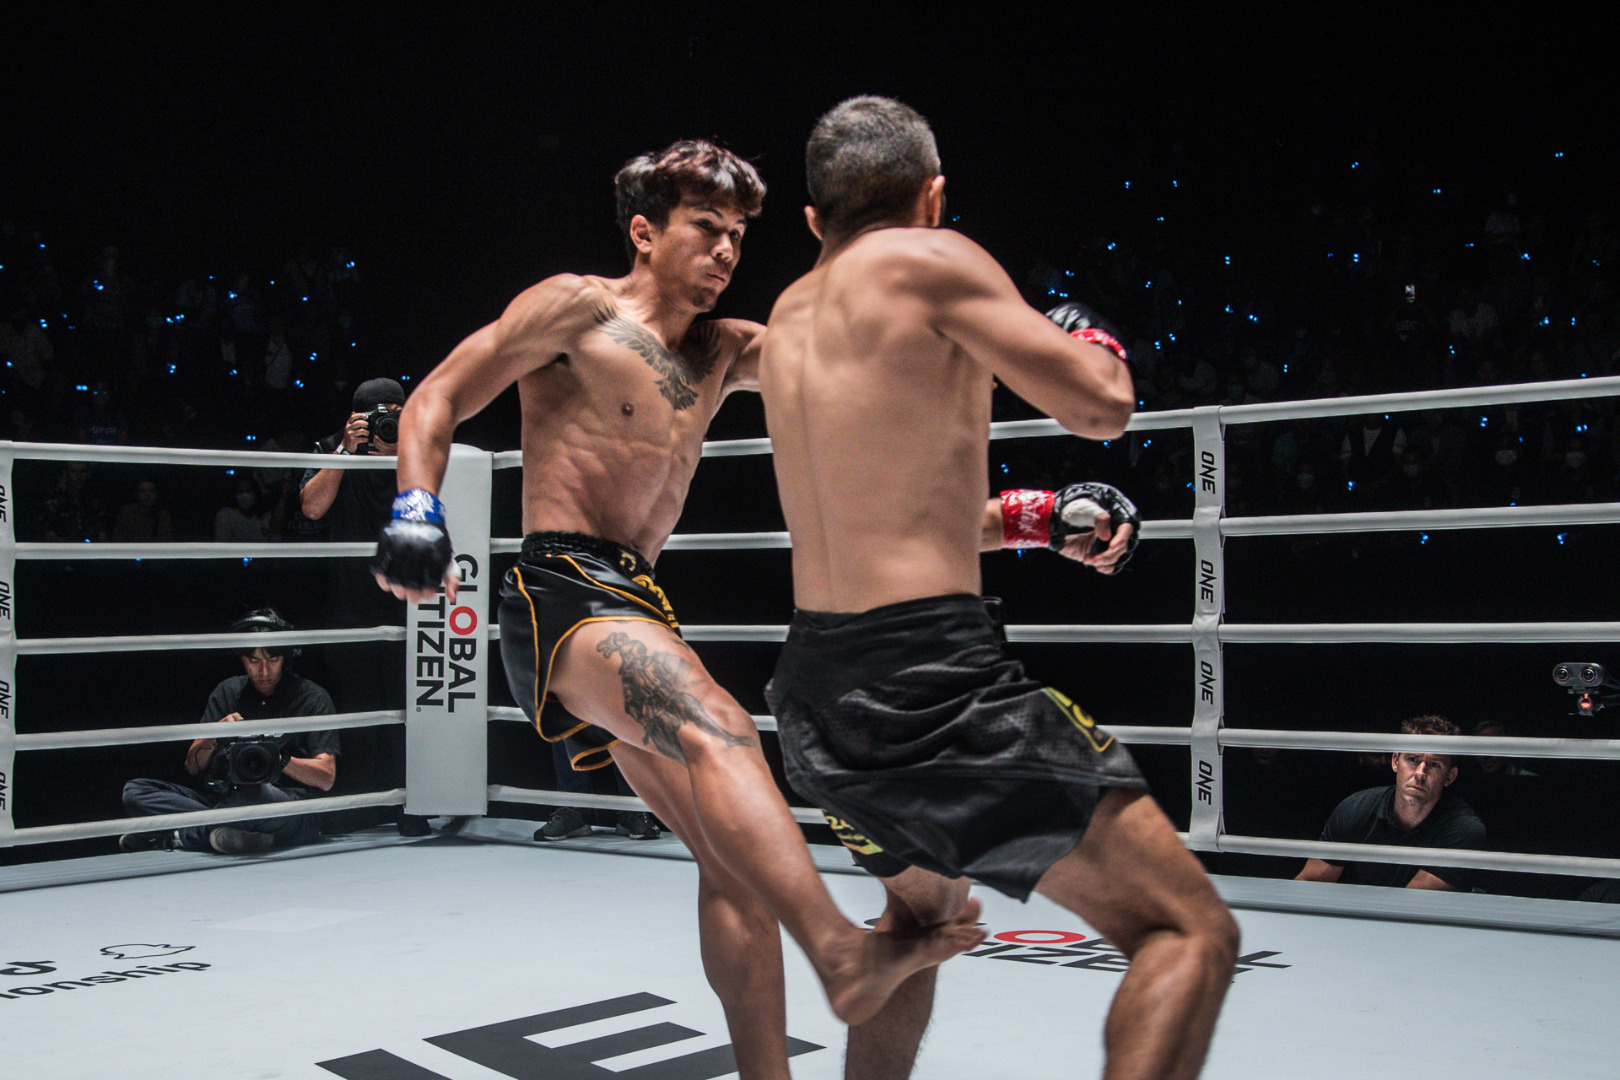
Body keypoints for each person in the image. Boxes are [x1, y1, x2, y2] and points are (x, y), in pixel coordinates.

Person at [369, 138, 984, 1077]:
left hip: (642, 603)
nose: (726, 250)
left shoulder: (727, 349)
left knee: (733, 858)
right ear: (646, 232)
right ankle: (837, 950)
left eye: (738, 234)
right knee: (721, 729)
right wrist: (417, 506)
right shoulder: (577, 308)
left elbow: (869, 363)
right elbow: (439, 396)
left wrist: (1017, 350)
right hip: (563, 589)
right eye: (706, 227)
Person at [757, 97, 1239, 1080]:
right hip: (931, 686)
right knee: (1188, 931)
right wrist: (1083, 331)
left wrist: (1035, 519)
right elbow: (1102, 405)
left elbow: (889, 516)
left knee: (922, 924)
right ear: (932, 197)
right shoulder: (935, 258)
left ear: (814, 220)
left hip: (815, 695)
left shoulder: (792, 315)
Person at [300, 379, 426, 836]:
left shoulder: (417, 445)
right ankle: (362, 806)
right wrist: (346, 453)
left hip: (408, 602)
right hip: (350, 602)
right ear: (355, 417)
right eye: (377, 414)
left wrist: (400, 453)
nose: (386, 421)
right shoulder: (332, 447)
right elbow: (312, 508)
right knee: (358, 710)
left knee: (409, 712)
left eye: (395, 412)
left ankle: (412, 805)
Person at [119, 610, 340, 855]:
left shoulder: (312, 697)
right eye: (254, 661)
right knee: (135, 792)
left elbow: (326, 778)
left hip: (284, 803)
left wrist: (276, 758)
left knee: (253, 795)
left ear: (286, 656)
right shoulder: (227, 692)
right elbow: (192, 766)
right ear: (242, 658)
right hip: (225, 795)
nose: (264, 671)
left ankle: (174, 837)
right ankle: (232, 831)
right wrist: (217, 734)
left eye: (273, 660)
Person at [1297, 715, 1487, 890]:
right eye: (1412, 759)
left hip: (1405, 916)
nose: (1420, 773)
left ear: (1450, 776)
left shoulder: (1464, 828)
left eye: (1434, 765)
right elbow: (1309, 882)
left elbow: (1410, 905)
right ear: (1395, 761)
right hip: (1352, 911)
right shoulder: (1355, 808)